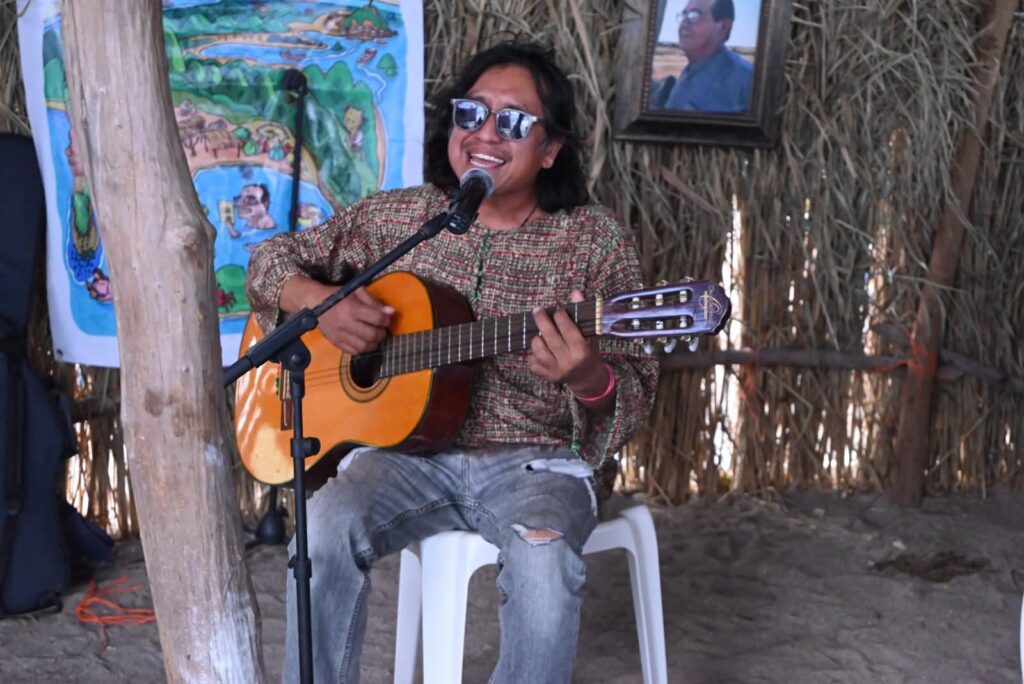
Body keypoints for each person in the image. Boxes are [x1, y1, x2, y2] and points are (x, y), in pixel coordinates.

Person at [245, 40, 659, 683]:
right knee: (322, 529)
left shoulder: (592, 242)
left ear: (551, 149)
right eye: (471, 113)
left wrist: (589, 379)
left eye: (513, 121)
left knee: (544, 563)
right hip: (403, 457)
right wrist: (318, 303)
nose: (485, 133)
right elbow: (269, 261)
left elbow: (636, 389)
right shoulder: (400, 218)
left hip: (536, 463)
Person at [650, 0, 753, 113]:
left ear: (723, 27)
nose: (684, 24)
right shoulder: (690, 71)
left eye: (695, 15)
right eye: (684, 15)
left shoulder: (747, 81)